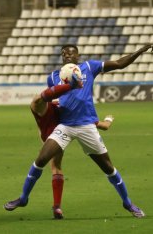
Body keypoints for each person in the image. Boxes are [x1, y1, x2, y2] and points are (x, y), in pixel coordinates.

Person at [4, 43, 153, 218]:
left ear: (78, 56)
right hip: (65, 126)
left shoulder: (89, 67)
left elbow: (120, 63)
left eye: (71, 53)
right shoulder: (53, 77)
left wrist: (141, 50)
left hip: (86, 127)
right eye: (64, 54)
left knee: (108, 167)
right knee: (41, 159)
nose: (67, 56)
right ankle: (23, 198)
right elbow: (51, 100)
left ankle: (127, 203)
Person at [30, 76, 114, 219]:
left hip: (49, 136)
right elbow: (102, 126)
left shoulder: (42, 105)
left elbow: (39, 105)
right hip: (67, 130)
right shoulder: (68, 105)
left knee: (53, 166)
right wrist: (108, 120)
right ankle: (56, 207)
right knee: (57, 166)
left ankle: (55, 206)